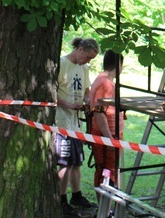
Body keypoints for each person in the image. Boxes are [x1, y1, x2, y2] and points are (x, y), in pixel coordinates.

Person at [55, 37, 99, 216]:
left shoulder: (84, 69)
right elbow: (51, 93)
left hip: (76, 123)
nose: (88, 61)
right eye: (87, 57)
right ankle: (61, 199)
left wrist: (88, 102)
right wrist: (68, 104)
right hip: (62, 122)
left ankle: (76, 195)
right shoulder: (61, 64)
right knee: (65, 162)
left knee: (76, 162)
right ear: (80, 49)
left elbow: (87, 91)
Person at [89, 49, 125, 189]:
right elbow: (99, 112)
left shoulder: (104, 81)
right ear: (118, 65)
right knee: (106, 172)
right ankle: (105, 209)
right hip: (107, 135)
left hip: (110, 134)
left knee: (110, 171)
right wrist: (109, 138)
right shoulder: (105, 83)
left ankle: (108, 208)